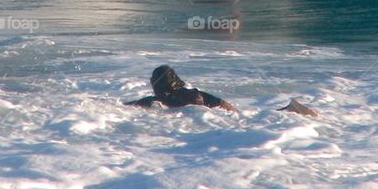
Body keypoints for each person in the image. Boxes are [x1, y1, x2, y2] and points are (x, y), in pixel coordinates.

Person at [124, 65, 318, 117]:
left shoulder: (161, 99)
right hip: (215, 111)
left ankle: (289, 110)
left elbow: (132, 105)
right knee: (249, 118)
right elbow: (222, 104)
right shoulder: (190, 92)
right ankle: (289, 109)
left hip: (209, 115)